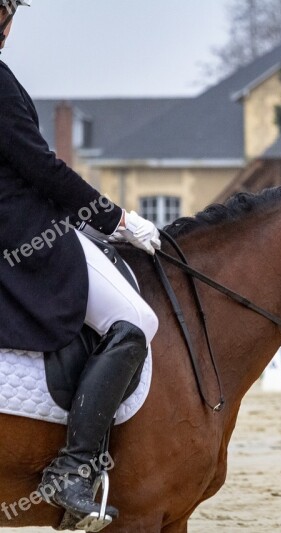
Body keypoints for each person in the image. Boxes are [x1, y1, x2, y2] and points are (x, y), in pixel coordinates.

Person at [0, 1, 161, 521]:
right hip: (24, 233)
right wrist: (116, 220)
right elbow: (42, 170)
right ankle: (73, 468)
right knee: (137, 320)